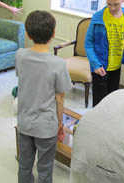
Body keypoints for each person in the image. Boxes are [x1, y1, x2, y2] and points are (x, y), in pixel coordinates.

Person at [16, 10, 72, 183]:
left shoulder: (20, 55)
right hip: (46, 127)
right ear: (53, 34)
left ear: (27, 33)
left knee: (24, 167)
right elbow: (60, 99)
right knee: (45, 170)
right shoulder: (58, 64)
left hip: (24, 123)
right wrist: (60, 124)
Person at [85, 0, 124, 107]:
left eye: (116, 4)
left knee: (111, 105)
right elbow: (88, 43)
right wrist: (95, 65)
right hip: (100, 69)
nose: (112, 8)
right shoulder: (98, 17)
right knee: (99, 106)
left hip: (116, 68)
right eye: (109, 4)